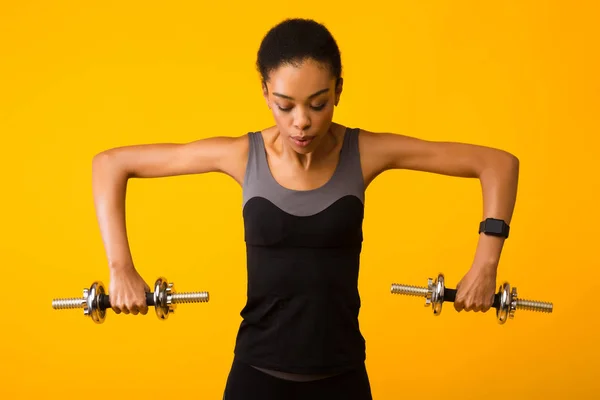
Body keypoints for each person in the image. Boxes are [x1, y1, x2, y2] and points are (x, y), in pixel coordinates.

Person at [91, 18, 519, 400]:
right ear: (265, 93)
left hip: (343, 376)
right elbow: (111, 164)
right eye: (285, 105)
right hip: (256, 376)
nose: (302, 122)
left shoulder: (363, 152)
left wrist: (485, 265)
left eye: (318, 104)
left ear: (338, 91)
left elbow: (497, 164)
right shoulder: (243, 155)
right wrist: (121, 268)